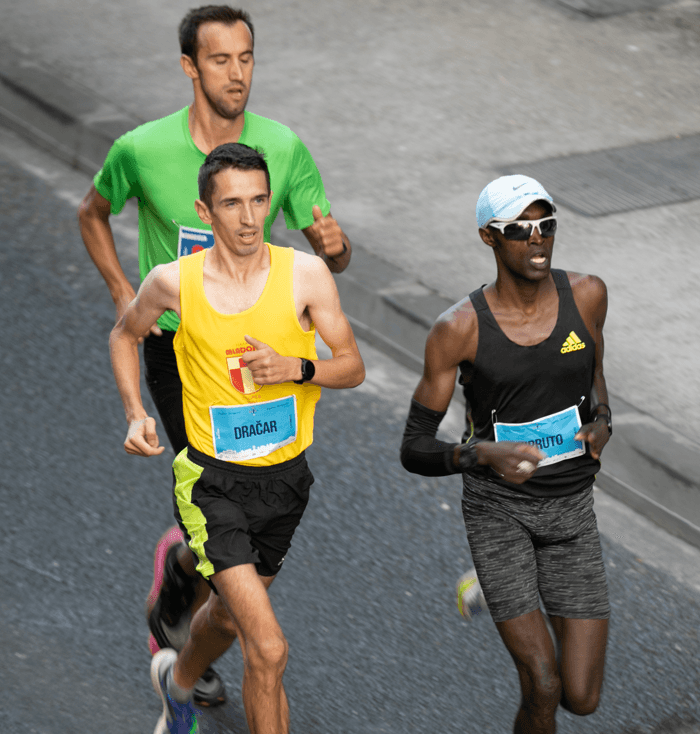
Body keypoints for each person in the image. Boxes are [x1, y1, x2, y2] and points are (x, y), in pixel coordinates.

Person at [78, 5, 352, 704]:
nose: (237, 73)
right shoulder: (142, 149)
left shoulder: (283, 148)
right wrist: (121, 289)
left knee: (251, 482)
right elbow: (92, 212)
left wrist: (335, 248)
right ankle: (198, 583)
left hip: (263, 343)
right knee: (215, 475)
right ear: (189, 67)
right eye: (221, 60)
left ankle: (188, 577)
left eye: (247, 58)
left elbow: (328, 246)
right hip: (181, 346)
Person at [110, 143, 365, 734]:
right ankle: (181, 686)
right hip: (211, 483)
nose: (249, 218)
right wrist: (134, 413)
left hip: (285, 480)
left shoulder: (305, 274)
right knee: (268, 648)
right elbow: (125, 335)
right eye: (232, 204)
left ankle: (176, 687)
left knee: (226, 618)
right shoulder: (173, 283)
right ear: (205, 210)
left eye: (258, 201)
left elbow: (351, 365)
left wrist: (298, 368)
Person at [400, 175, 613, 734]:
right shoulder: (459, 330)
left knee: (582, 697)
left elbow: (595, 380)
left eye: (547, 226)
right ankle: (503, 578)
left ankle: (500, 586)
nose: (537, 239)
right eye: (520, 229)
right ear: (488, 238)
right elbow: (415, 448)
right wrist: (481, 454)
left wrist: (602, 422)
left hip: (572, 513)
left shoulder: (587, 295)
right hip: (500, 515)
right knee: (542, 683)